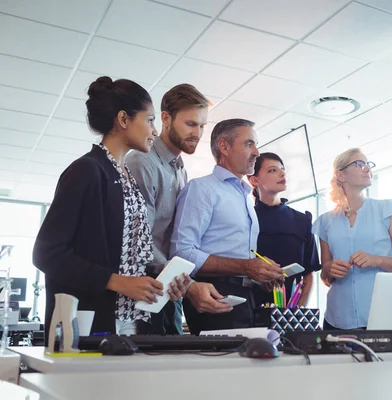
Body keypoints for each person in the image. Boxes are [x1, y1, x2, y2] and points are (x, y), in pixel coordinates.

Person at [33, 77, 186, 341]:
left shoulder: (125, 178)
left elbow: (127, 257)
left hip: (129, 324)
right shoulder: (87, 171)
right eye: (149, 120)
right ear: (124, 119)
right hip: (88, 326)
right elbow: (47, 254)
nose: (153, 131)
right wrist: (117, 281)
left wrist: (160, 282)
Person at [126, 84, 230, 335]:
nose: (198, 133)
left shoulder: (179, 169)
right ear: (165, 118)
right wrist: (188, 284)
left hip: (170, 292)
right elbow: (139, 241)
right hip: (144, 293)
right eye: (191, 124)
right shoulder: (142, 162)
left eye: (202, 126)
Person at [170, 119, 284, 334]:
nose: (257, 152)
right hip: (215, 297)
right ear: (224, 146)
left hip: (246, 298)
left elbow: (236, 255)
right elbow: (182, 253)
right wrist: (247, 267)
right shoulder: (202, 189)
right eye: (249, 144)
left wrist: (260, 275)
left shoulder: (245, 195)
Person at [312, 148, 392, 330]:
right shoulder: (325, 222)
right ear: (340, 175)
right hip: (336, 320)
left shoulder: (387, 208)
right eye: (359, 164)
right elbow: (326, 278)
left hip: (379, 317)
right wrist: (328, 269)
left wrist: (375, 260)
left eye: (368, 164)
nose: (367, 169)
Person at [248, 152, 320, 307]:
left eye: (282, 169)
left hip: (293, 309)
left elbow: (309, 273)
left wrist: (299, 310)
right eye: (272, 170)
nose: (282, 173)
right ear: (254, 180)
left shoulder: (303, 220)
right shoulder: (245, 219)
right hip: (252, 309)